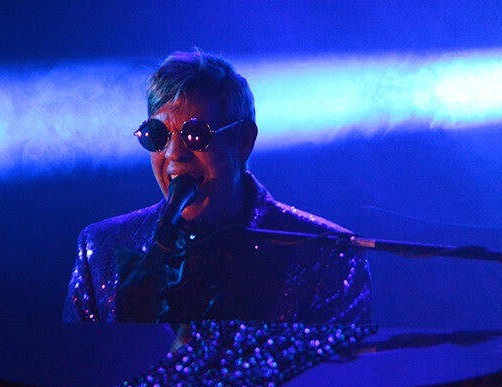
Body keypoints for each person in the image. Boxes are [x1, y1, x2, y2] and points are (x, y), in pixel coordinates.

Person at [63, 51, 371, 326]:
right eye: (157, 134)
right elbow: (83, 365)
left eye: (196, 135)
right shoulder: (101, 248)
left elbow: (335, 370)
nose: (174, 153)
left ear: (243, 141)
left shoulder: (329, 253)